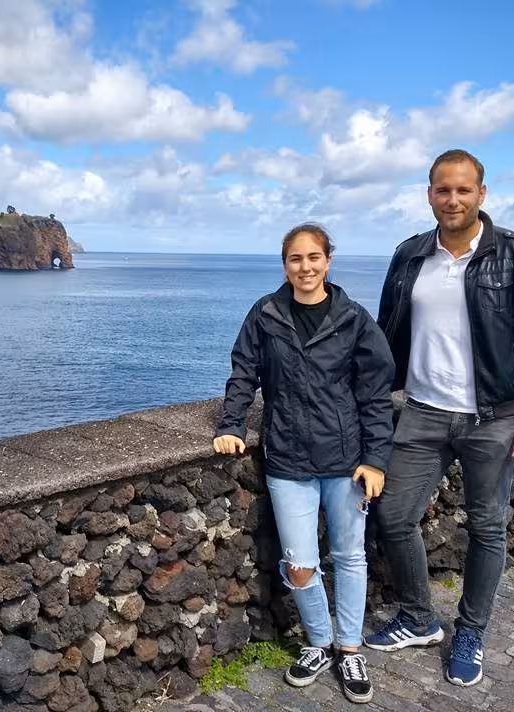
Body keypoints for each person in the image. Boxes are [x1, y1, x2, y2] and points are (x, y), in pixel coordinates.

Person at [365, 149, 514, 687]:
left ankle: (471, 630)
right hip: (423, 412)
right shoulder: (409, 255)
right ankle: (418, 618)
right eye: (442, 190)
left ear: (481, 194)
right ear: (429, 194)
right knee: (393, 516)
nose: (452, 199)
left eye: (462, 190)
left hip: (494, 418)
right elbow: (386, 339)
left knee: (487, 527)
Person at [213, 224, 395, 705]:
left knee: (351, 556)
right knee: (299, 564)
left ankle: (349, 647)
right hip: (288, 458)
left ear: (328, 261)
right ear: (285, 264)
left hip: (346, 460)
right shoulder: (266, 314)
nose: (306, 267)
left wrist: (376, 458)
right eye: (296, 259)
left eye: (314, 257)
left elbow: (375, 395)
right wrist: (231, 425)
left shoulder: (353, 319)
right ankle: (319, 640)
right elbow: (242, 372)